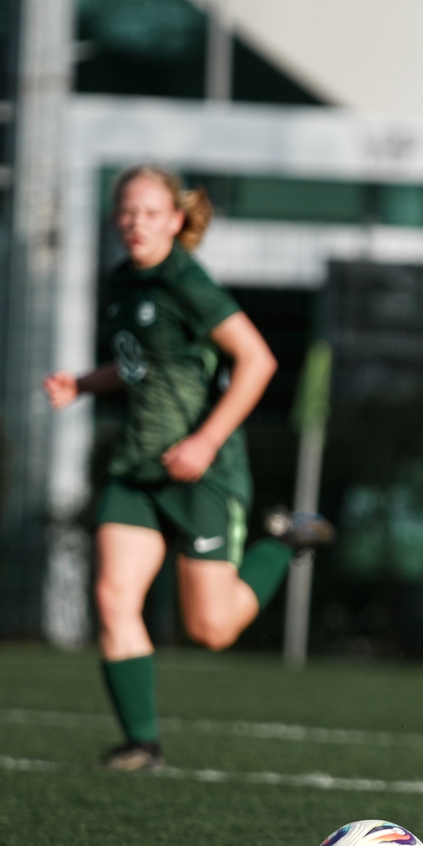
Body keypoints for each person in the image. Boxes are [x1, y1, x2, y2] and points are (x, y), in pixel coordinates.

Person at [44, 165, 331, 770]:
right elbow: (137, 365)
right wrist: (83, 382)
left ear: (176, 220)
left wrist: (203, 441)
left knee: (211, 630)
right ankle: (140, 744)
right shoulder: (123, 280)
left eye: (150, 213)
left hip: (203, 472)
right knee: (112, 599)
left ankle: (281, 541)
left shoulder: (186, 280)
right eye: (126, 212)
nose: (136, 223)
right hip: (138, 471)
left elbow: (258, 361)